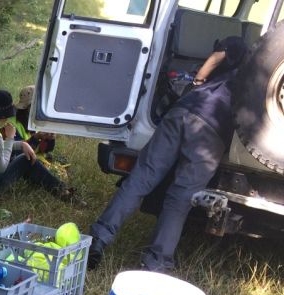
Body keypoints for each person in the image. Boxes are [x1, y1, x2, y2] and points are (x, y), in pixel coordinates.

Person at [88, 36, 248, 272]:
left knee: (141, 178)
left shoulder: (241, 46)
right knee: (181, 198)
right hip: (212, 129)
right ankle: (155, 263)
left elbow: (218, 56)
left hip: (185, 109)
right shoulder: (264, 76)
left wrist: (198, 81)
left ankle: (98, 239)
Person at [0, 89, 76, 201]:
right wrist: (10, 138)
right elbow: (1, 168)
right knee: (26, 159)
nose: (6, 120)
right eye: (5, 116)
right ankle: (62, 191)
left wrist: (21, 144)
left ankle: (61, 190)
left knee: (25, 156)